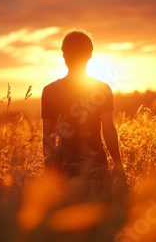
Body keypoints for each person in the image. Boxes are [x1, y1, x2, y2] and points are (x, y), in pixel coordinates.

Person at [41, 29, 126, 199]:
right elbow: (108, 130)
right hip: (96, 164)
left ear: (64, 56)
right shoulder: (102, 89)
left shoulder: (49, 91)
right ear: (90, 55)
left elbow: (48, 136)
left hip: (63, 167)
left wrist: (49, 173)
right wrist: (118, 164)